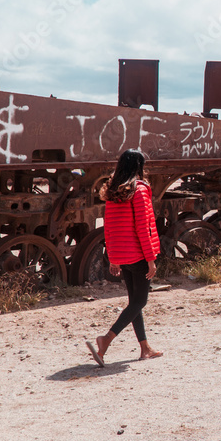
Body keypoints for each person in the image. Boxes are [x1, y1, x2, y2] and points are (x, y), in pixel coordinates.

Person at [86, 149, 163, 366]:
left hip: (121, 254)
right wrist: (150, 259)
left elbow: (108, 227)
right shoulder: (139, 191)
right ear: (139, 167)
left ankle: (145, 348)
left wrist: (113, 257)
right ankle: (106, 340)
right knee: (140, 301)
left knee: (134, 303)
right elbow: (143, 227)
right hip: (138, 255)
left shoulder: (113, 192)